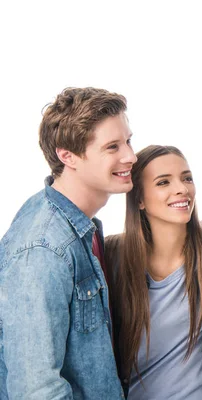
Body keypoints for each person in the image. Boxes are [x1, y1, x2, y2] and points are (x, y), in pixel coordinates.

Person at [0, 87, 135, 398]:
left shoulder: (81, 228)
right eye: (112, 147)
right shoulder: (44, 248)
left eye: (128, 141)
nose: (130, 156)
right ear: (67, 156)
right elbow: (36, 390)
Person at [105, 145, 202, 400]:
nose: (182, 189)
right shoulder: (112, 257)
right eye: (163, 182)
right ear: (139, 199)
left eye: (187, 178)